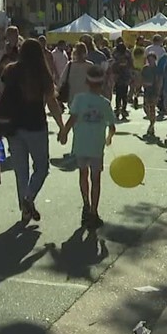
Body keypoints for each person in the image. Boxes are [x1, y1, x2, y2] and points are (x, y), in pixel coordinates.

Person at [0, 39, 66, 224]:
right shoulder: (42, 73)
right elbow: (51, 101)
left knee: (21, 170)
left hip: (13, 126)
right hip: (35, 125)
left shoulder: (10, 70)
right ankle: (29, 197)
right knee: (42, 167)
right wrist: (61, 126)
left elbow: (3, 96)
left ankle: (24, 210)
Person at [58, 66, 116, 230]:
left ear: (86, 82)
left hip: (81, 144)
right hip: (96, 146)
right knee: (96, 179)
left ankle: (85, 203)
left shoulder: (79, 98)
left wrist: (64, 132)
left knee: (83, 174)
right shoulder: (105, 103)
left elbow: (73, 118)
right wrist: (109, 138)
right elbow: (112, 126)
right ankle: (93, 211)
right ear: (102, 84)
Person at [141, 52, 162, 138]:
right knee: (146, 107)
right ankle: (151, 120)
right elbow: (141, 78)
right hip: (146, 90)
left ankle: (152, 125)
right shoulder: (145, 69)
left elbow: (159, 80)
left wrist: (158, 92)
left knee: (152, 107)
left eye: (152, 59)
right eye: (149, 59)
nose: (150, 61)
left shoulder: (157, 69)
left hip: (154, 90)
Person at [112, 40, 133, 120]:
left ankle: (120, 109)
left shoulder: (119, 53)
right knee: (121, 94)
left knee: (121, 94)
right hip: (120, 75)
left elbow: (130, 63)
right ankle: (120, 109)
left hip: (123, 75)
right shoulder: (119, 53)